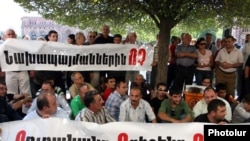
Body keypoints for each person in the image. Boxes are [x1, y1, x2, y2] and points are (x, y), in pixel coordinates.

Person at [3, 29, 32, 116]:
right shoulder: (2, 47)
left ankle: (27, 113)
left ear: (15, 35)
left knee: (26, 92)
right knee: (11, 93)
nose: (11, 36)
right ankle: (12, 112)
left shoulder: (22, 46)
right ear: (5, 37)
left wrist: (31, 69)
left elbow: (29, 57)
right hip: (10, 71)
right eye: (9, 34)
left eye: (12, 34)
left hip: (22, 70)